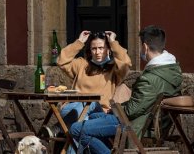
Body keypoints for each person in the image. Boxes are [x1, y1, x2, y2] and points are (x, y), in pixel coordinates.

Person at [69, 25, 183, 154]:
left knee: (76, 129)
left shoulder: (150, 79)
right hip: (151, 122)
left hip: (133, 123)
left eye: (141, 46)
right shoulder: (173, 71)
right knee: (93, 116)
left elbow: (131, 111)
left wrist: (114, 109)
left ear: (145, 47)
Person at [54, 31, 131, 135]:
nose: (97, 52)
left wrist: (113, 42)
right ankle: (65, 130)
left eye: (101, 48)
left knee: (90, 102)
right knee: (79, 126)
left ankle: (58, 128)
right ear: (90, 51)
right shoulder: (82, 64)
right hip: (73, 109)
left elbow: (125, 63)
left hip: (97, 112)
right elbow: (61, 61)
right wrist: (79, 42)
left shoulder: (114, 69)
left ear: (108, 49)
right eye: (94, 48)